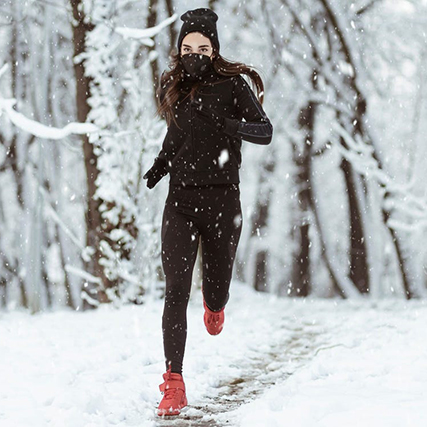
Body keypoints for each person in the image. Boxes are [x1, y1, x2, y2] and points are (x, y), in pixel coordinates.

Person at [143, 7, 273, 416]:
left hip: (222, 201)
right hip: (180, 202)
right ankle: (174, 383)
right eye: (187, 48)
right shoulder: (175, 86)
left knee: (214, 290)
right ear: (179, 52)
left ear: (214, 50)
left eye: (202, 47)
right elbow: (177, 134)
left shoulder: (233, 86)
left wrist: (230, 125)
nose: (194, 54)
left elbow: (265, 131)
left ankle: (215, 304)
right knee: (176, 288)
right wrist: (162, 163)